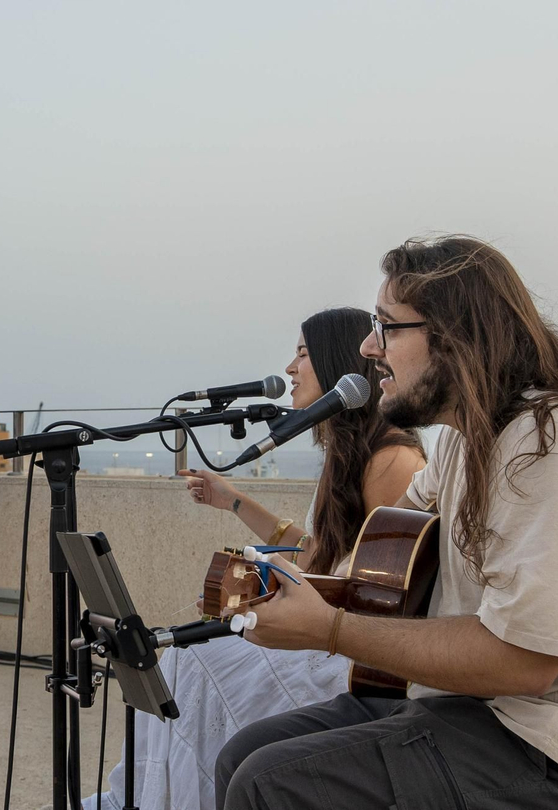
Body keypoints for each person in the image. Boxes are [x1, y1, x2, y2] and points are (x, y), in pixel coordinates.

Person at [215, 236, 558, 810]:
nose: (368, 348)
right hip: (489, 716)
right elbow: (388, 539)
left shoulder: (554, 449)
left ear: (456, 338)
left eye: (386, 326)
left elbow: (524, 660)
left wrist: (330, 629)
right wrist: (299, 588)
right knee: (241, 755)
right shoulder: (464, 437)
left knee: (268, 782)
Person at [84, 307, 424, 810]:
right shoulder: (352, 456)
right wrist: (234, 502)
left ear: (336, 363)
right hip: (330, 632)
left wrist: (270, 595)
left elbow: (381, 592)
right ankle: (145, 795)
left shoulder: (392, 461)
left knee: (195, 657)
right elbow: (323, 554)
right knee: (186, 649)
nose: (290, 368)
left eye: (303, 354)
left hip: (352, 656)